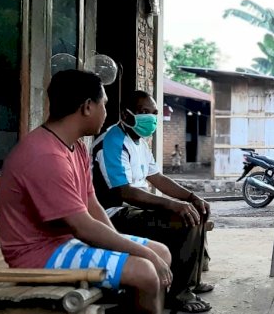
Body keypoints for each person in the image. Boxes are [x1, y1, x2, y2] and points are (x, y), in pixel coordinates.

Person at [0, 70, 172, 314]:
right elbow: (83, 226)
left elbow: (91, 204)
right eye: (104, 104)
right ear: (88, 106)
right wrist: (141, 254)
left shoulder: (75, 147)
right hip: (35, 254)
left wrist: (124, 246)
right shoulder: (45, 155)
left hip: (65, 242)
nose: (106, 112)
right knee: (145, 271)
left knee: (160, 252)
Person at [91, 90, 213, 313]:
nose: (150, 118)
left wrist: (190, 197)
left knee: (196, 210)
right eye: (143, 112)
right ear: (125, 114)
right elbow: (124, 193)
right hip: (112, 214)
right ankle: (177, 293)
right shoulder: (113, 141)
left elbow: (157, 178)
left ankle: (191, 282)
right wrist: (173, 205)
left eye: (154, 113)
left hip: (134, 208)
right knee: (182, 219)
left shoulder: (139, 142)